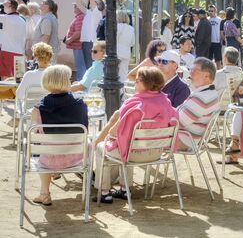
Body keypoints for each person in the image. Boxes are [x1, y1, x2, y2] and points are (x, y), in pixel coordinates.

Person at [93, 67, 178, 203]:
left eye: (138, 80)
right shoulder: (166, 103)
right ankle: (125, 189)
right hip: (157, 152)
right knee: (128, 142)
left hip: (135, 154)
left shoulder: (136, 104)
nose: (135, 82)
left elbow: (113, 132)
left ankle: (104, 192)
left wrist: (108, 135)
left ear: (148, 83)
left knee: (103, 147)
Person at [31, 65, 88, 206]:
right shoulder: (80, 103)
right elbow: (84, 129)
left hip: (49, 160)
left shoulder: (38, 108)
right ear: (65, 81)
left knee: (43, 150)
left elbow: (35, 134)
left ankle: (44, 194)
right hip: (77, 158)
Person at [176, 57, 220, 151]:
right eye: (191, 69)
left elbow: (177, 122)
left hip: (183, 139)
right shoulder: (209, 92)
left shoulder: (201, 98)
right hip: (189, 137)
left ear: (207, 76)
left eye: (195, 71)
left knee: (141, 136)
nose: (190, 73)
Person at [77, 0, 105, 71]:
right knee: (88, 66)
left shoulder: (97, 13)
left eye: (95, 3)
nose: (92, 4)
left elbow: (91, 0)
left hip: (91, 41)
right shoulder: (89, 12)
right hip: (86, 41)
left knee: (91, 66)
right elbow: (78, 4)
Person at [0, 0, 26, 79]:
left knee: (5, 77)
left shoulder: (4, 18)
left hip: (6, 51)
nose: (3, 6)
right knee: (19, 77)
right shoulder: (23, 20)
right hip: (20, 52)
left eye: (5, 4)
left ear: (9, 5)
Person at [213, 46, 243, 110]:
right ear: (237, 60)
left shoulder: (216, 75)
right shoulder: (242, 75)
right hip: (238, 111)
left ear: (225, 58)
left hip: (220, 111)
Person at [64, 3, 85, 81]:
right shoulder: (80, 17)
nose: (74, 8)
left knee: (80, 66)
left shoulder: (80, 17)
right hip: (78, 46)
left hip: (79, 46)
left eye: (75, 6)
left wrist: (69, 40)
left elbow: (78, 32)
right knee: (80, 65)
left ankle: (81, 83)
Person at [116, 10, 135, 83]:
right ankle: (122, 91)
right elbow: (132, 43)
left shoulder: (116, 27)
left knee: (114, 74)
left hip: (116, 53)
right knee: (123, 74)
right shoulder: (131, 28)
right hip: (126, 53)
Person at [208, 5, 223, 70]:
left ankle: (219, 70)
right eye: (209, 11)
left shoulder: (219, 20)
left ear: (215, 11)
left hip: (217, 41)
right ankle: (210, 70)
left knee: (218, 58)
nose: (210, 12)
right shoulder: (207, 19)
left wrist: (221, 40)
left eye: (212, 11)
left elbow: (221, 30)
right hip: (209, 42)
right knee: (209, 58)